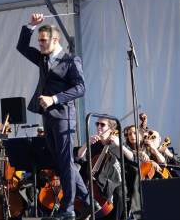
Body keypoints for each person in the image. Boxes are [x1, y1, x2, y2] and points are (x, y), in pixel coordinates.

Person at [17, 15, 89, 219]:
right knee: (60, 162)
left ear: (55, 40)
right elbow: (22, 47)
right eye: (39, 40)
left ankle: (68, 209)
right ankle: (87, 199)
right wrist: (30, 25)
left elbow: (81, 88)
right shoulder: (42, 58)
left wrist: (55, 98)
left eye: (43, 40)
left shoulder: (70, 60)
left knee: (66, 162)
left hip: (64, 116)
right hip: (47, 116)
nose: (39, 44)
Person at [77, 117, 125, 220]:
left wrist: (120, 145)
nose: (98, 127)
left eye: (102, 125)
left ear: (111, 129)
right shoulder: (94, 144)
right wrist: (87, 143)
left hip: (112, 182)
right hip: (94, 182)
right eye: (97, 124)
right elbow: (79, 156)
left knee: (120, 194)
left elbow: (132, 159)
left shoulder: (116, 145)